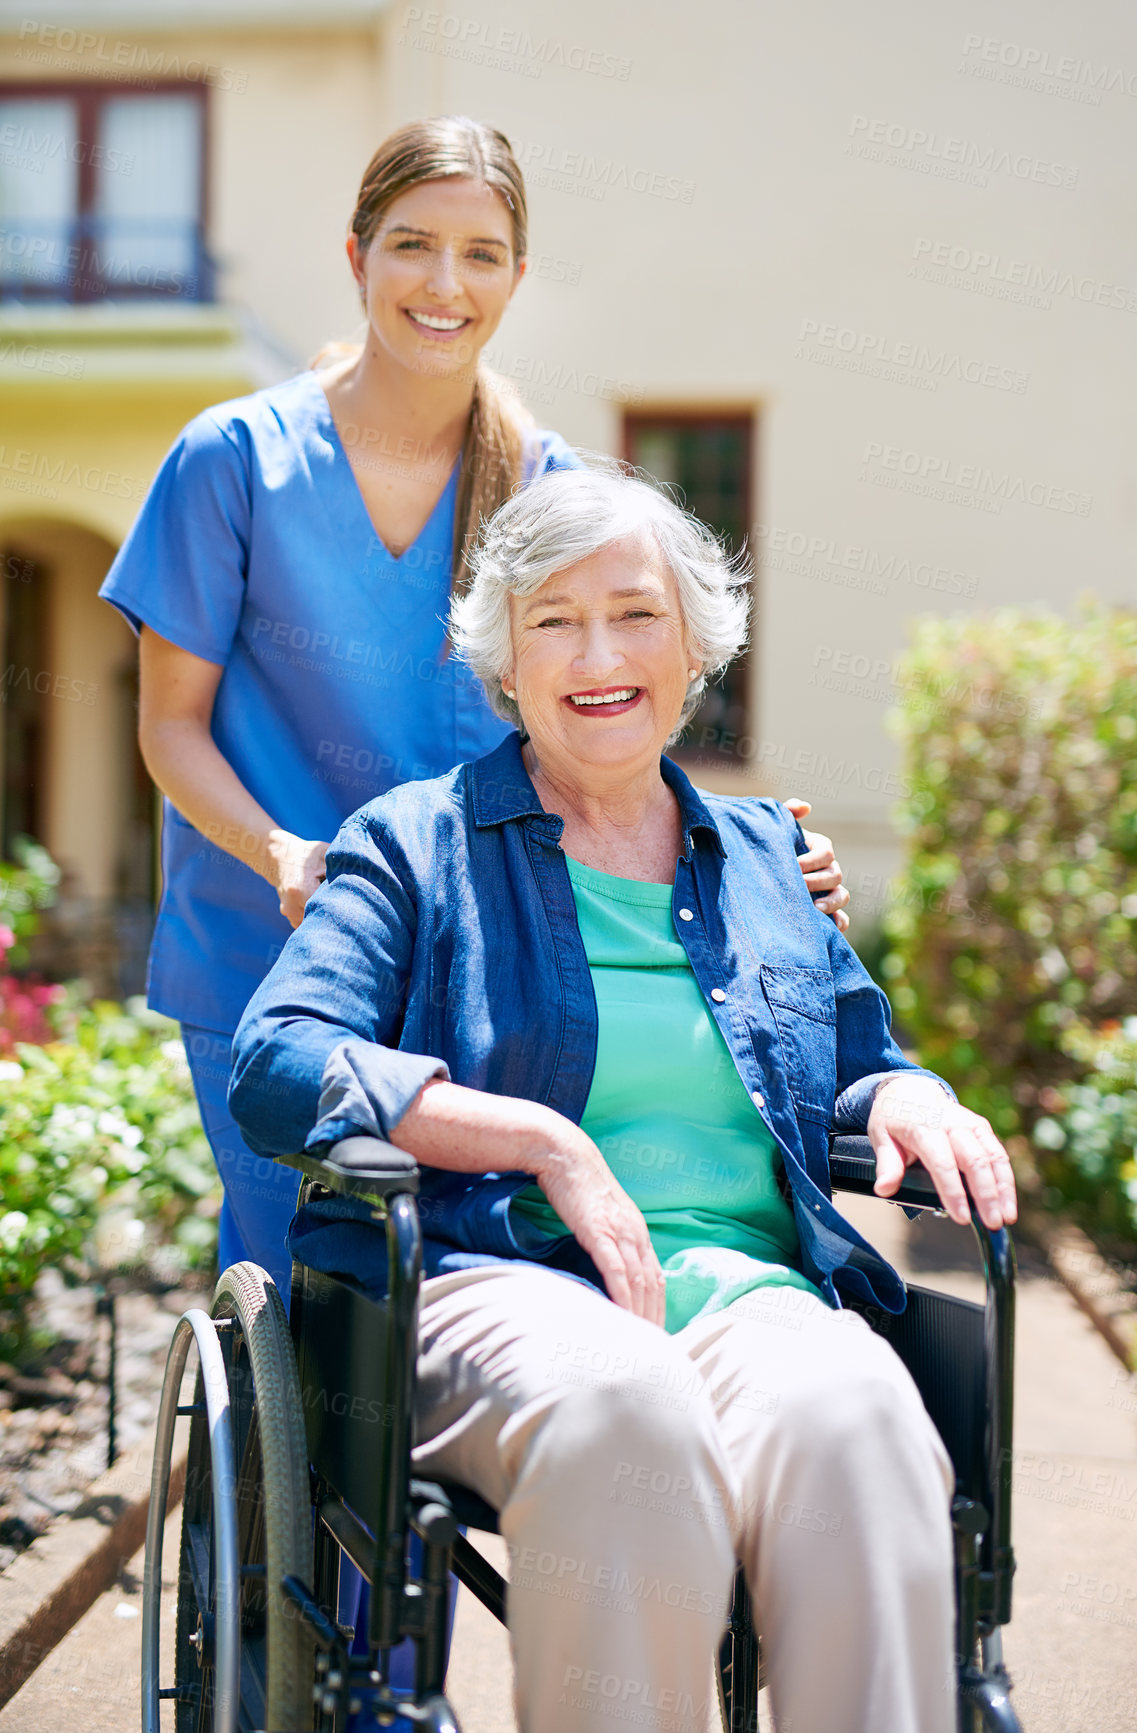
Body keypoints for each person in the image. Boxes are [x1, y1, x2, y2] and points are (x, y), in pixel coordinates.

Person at [229, 465, 1018, 1733]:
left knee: (860, 1419)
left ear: (695, 643)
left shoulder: (768, 861)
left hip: (745, 1295)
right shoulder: (410, 842)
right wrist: (535, 1137)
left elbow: (861, 1057)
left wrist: (916, 1095)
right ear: (503, 657)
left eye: (636, 613)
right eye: (553, 618)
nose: (598, 652)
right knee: (620, 1408)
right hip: (495, 1285)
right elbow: (278, 1058)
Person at [98, 116, 848, 1299]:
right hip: (267, 952)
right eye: (412, 245)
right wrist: (286, 852)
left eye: (481, 253)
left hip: (482, 971)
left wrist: (743, 863)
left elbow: (600, 718)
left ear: (515, 276)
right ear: (356, 258)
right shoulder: (231, 459)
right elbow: (168, 726)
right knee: (299, 1296)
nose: (444, 284)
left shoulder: (546, 484)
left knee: (471, 1290)